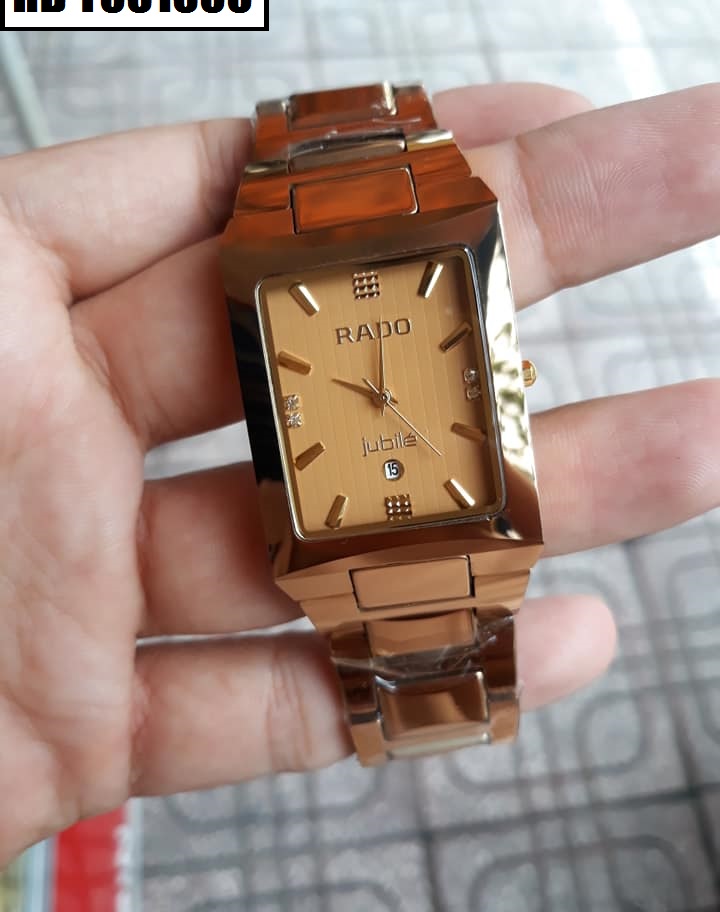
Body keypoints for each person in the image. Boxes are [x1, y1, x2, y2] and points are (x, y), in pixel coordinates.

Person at [0, 82, 718, 869]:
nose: (378, 398)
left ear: (507, 374)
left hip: (439, 528)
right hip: (351, 547)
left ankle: (437, 709)